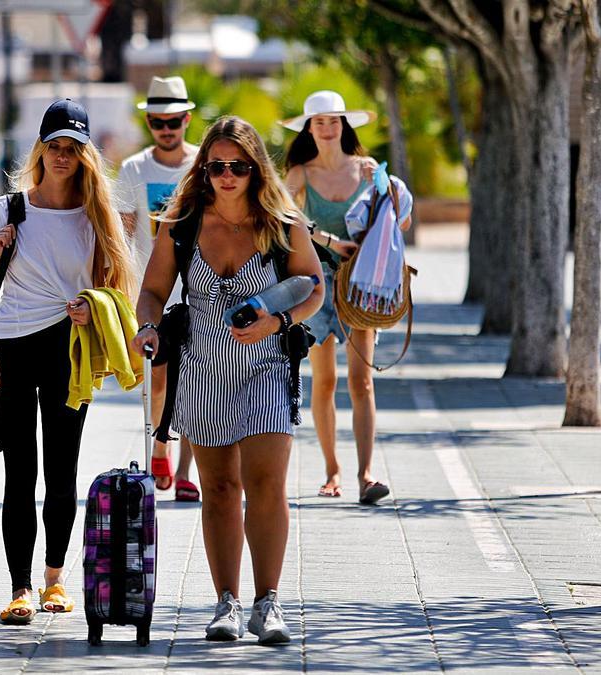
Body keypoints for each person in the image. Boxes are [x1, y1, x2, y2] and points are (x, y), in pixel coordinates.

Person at [133, 116, 324, 644]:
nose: (226, 175)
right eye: (216, 165)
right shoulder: (184, 223)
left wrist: (278, 321)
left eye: (238, 165)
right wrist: (147, 328)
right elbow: (152, 290)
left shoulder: (283, 223)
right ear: (205, 168)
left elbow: (313, 289)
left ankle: (269, 603)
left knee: (266, 484)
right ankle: (226, 603)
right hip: (201, 372)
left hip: (267, 369)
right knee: (218, 488)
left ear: (256, 168)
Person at [0, 99, 136, 626]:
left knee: (62, 470)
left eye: (72, 148)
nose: (62, 156)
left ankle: (55, 581)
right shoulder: (9, 208)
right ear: (40, 149)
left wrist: (93, 305)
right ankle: (19, 587)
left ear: (85, 154)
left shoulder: (95, 214)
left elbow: (117, 286)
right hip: (13, 343)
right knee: (18, 472)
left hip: (70, 345)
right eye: (54, 146)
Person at [281, 90, 400, 506]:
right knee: (325, 380)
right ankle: (332, 469)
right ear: (308, 129)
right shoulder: (299, 174)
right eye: (319, 122)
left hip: (359, 286)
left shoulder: (366, 170)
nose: (328, 129)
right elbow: (280, 216)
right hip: (314, 284)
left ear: (344, 126)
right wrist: (326, 238)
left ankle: (367, 474)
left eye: (334, 121)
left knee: (362, 380)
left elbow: (394, 217)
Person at [115, 75, 201, 502]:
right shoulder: (134, 169)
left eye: (173, 121)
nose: (166, 129)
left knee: (199, 381)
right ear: (149, 123)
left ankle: (186, 469)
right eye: (157, 122)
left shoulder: (207, 164)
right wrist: (123, 294)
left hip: (204, 292)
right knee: (162, 380)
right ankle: (160, 444)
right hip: (153, 294)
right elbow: (125, 238)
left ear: (187, 119)